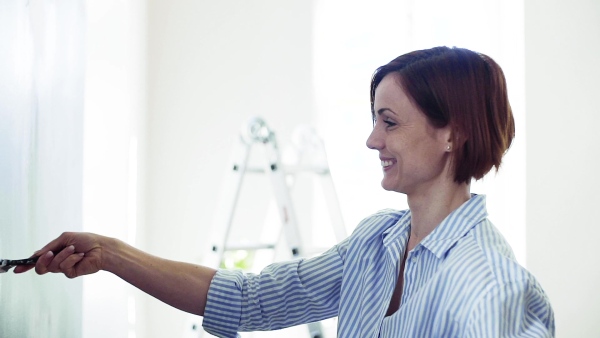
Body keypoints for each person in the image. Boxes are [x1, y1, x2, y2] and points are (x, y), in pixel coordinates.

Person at [16, 46, 555, 337]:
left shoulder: (491, 289)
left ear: (451, 133)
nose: (372, 140)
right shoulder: (377, 242)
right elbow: (251, 300)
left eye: (389, 122)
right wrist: (111, 255)